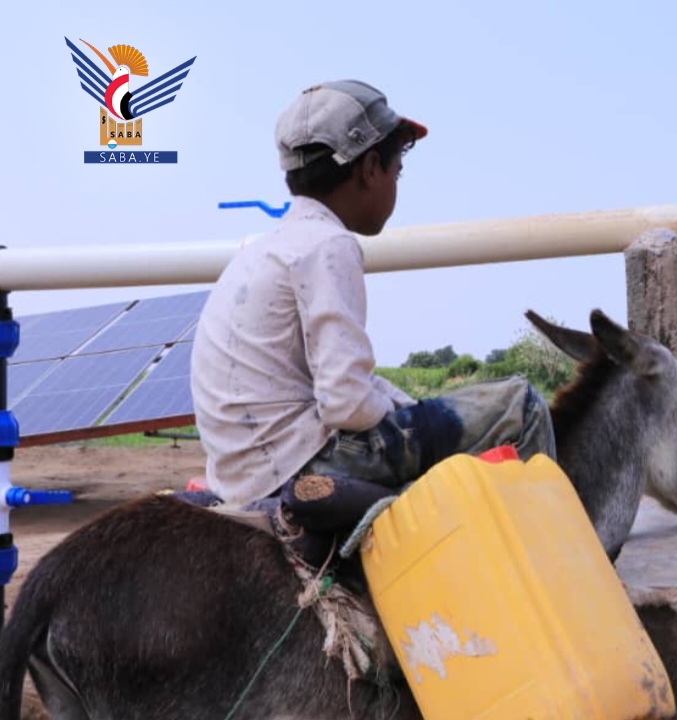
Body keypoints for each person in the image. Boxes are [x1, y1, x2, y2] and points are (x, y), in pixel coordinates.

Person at [190, 79, 557, 570]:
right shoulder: (329, 246)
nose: (395, 185)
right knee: (521, 402)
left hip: (242, 471)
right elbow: (346, 403)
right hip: (305, 462)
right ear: (369, 169)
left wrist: (406, 406)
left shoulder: (263, 251)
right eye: (396, 170)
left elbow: (341, 383)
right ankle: (542, 561)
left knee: (416, 411)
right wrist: (410, 413)